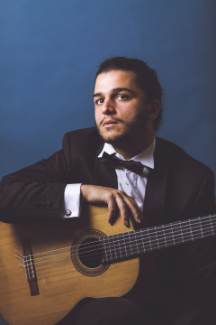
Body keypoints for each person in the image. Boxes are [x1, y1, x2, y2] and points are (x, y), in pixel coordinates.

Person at [0, 57, 216, 325]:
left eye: (121, 97)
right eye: (99, 100)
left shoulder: (193, 180)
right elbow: (5, 195)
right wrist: (84, 192)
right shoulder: (77, 150)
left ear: (152, 109)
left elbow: (203, 286)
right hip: (74, 306)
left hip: (158, 311)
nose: (107, 109)